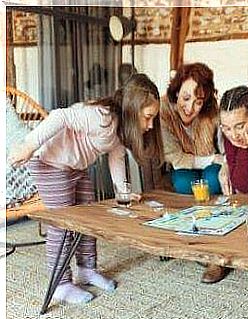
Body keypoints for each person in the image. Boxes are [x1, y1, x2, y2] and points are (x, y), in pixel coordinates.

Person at [8, 73, 164, 304]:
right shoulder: (101, 117)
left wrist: (122, 191)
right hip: (50, 163)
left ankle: (86, 269)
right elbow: (60, 116)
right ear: (132, 110)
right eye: (148, 117)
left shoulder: (120, 130)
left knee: (88, 219)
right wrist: (29, 146)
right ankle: (60, 284)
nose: (151, 125)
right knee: (63, 225)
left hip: (75, 167)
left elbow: (116, 156)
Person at [159, 62, 229, 284]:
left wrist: (226, 164)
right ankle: (190, 240)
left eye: (198, 102)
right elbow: (177, 159)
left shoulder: (212, 112)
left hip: (209, 165)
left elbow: (225, 148)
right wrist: (213, 158)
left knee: (212, 181)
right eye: (186, 97)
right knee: (182, 183)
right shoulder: (163, 111)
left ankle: (214, 254)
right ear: (176, 90)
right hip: (185, 167)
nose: (190, 107)